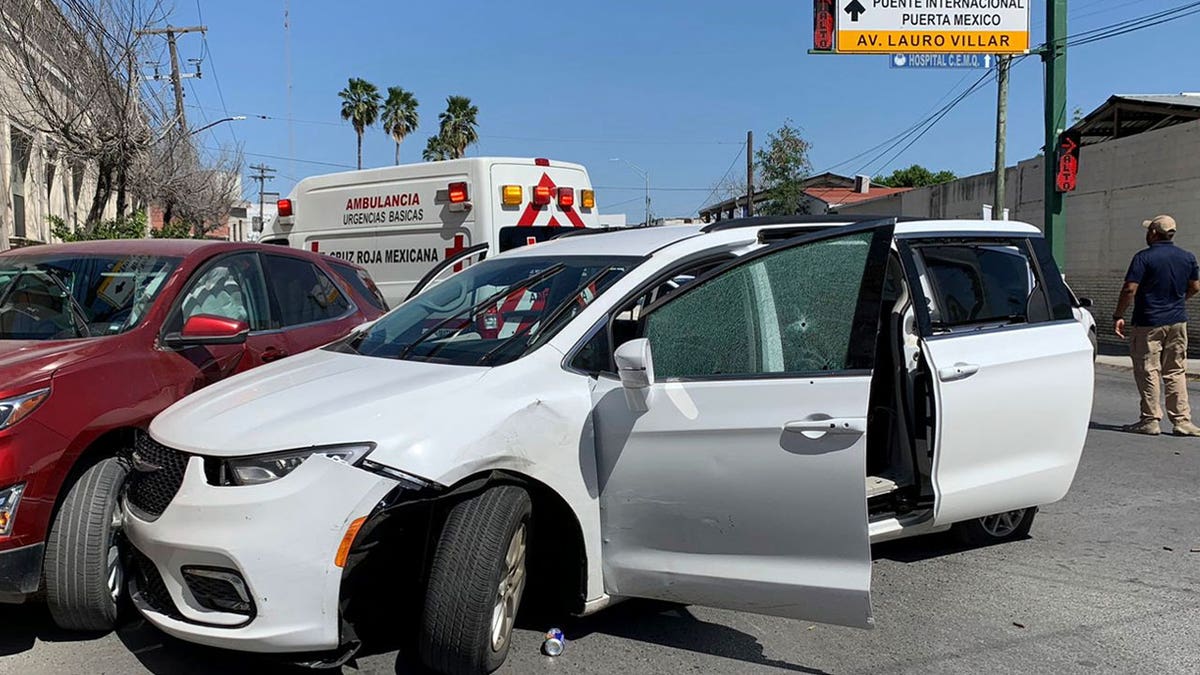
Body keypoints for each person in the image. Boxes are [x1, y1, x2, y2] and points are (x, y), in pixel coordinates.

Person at [1113, 214, 1200, 436]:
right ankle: (1182, 420)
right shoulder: (1187, 257)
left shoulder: (1144, 258)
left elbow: (1129, 289)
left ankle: (1150, 419)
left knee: (1148, 369)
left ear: (1153, 233)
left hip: (1148, 322)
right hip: (1178, 321)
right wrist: (1178, 302)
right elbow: (1195, 287)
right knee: (1175, 370)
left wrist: (1118, 315)